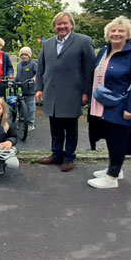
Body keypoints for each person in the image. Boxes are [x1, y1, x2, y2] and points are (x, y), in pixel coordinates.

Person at [87, 16, 131, 189]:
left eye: (121, 31)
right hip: (103, 103)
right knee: (110, 136)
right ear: (107, 34)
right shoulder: (104, 51)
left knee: (118, 139)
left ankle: (111, 178)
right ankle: (116, 168)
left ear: (128, 34)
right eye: (113, 31)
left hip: (121, 104)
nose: (116, 34)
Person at [36, 11, 96, 172]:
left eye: (65, 23)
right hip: (52, 93)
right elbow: (41, 67)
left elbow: (90, 70)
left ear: (71, 25)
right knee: (55, 127)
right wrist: (39, 88)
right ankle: (56, 154)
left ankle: (69, 157)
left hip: (73, 93)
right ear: (54, 27)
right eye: (58, 24)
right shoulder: (47, 44)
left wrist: (86, 93)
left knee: (70, 128)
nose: (61, 26)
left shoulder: (83, 41)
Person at [15, 46, 37, 130]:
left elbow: (37, 74)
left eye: (26, 55)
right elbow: (18, 75)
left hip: (30, 89)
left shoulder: (33, 64)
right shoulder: (19, 65)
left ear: (29, 56)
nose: (24, 56)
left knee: (30, 107)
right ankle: (21, 121)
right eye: (22, 55)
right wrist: (14, 79)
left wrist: (34, 79)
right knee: (20, 107)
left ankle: (30, 123)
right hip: (20, 89)